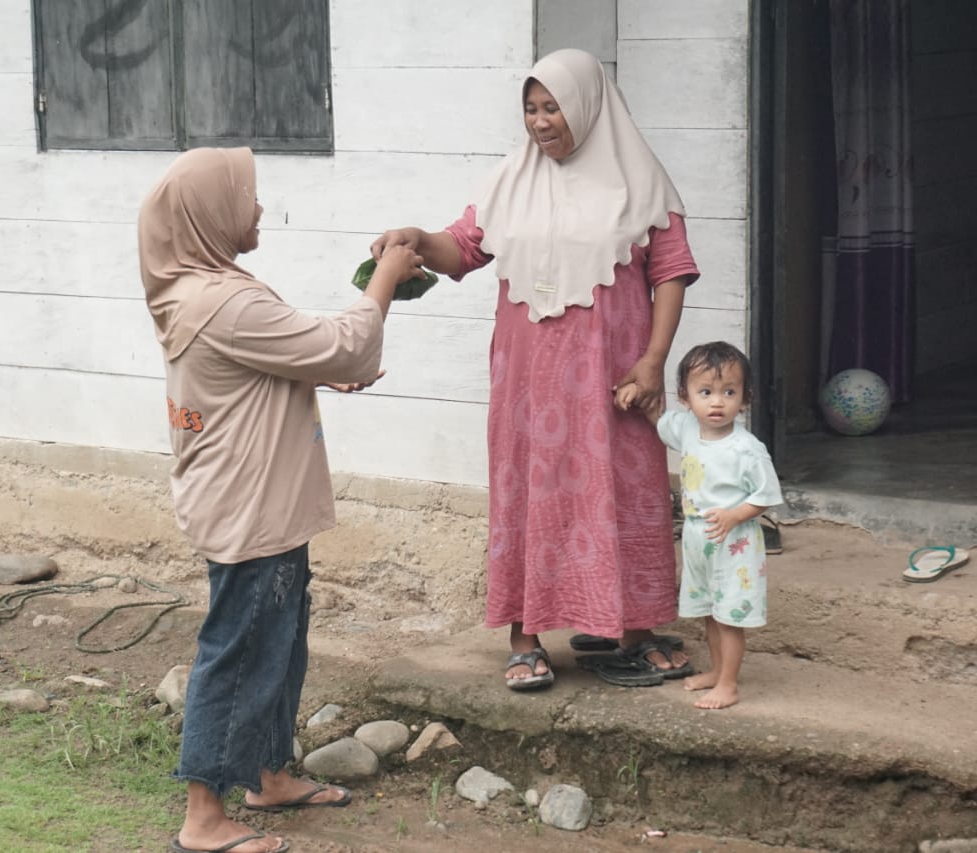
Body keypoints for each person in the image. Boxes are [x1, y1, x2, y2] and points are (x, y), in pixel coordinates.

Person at [371, 48, 699, 690]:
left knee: (625, 487)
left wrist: (655, 360)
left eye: (553, 107)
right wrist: (414, 236)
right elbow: (462, 249)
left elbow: (671, 270)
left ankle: (630, 633)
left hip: (617, 376)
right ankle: (526, 640)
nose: (540, 122)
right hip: (529, 382)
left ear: (586, 106)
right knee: (532, 490)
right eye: (531, 108)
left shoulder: (640, 182)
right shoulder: (509, 180)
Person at [139, 147, 424, 853]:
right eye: (246, 196)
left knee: (279, 641)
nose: (258, 207)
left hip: (253, 493)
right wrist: (386, 275)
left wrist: (312, 373)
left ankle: (267, 775)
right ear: (210, 214)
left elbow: (256, 366)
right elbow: (349, 345)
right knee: (238, 651)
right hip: (252, 503)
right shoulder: (225, 300)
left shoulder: (199, 285)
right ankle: (204, 817)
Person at [616, 341, 782, 709]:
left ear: (746, 398)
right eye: (706, 392)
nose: (717, 402)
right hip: (699, 540)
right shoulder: (688, 429)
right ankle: (717, 672)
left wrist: (734, 514)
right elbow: (657, 417)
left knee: (729, 619)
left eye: (729, 392)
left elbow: (766, 494)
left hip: (733, 542)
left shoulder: (746, 448)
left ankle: (729, 684)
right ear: (686, 398)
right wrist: (632, 392)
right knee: (710, 612)